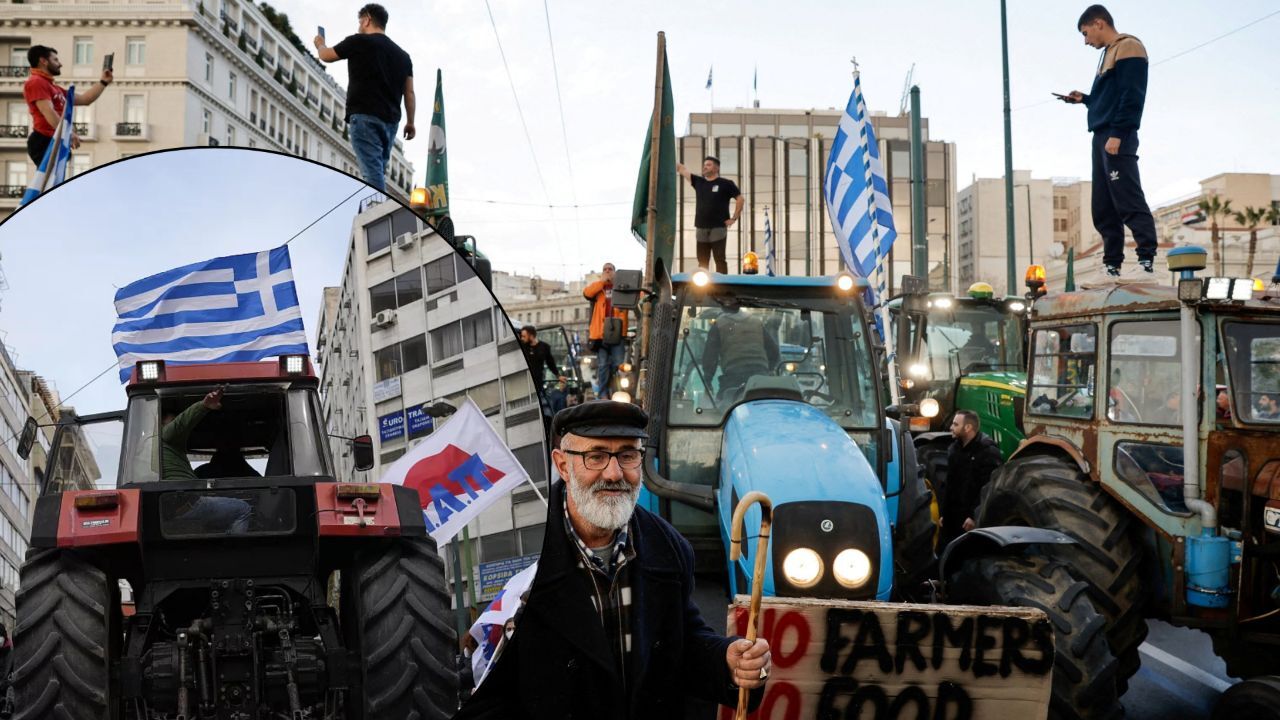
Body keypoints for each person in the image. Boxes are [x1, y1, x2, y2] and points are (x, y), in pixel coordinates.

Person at [456, 401, 770, 719]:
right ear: (563, 465)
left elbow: (683, 643)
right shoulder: (526, 569)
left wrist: (726, 660)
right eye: (596, 456)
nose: (615, 473)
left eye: (627, 455)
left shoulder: (668, 546)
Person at [1059, 5, 1157, 278]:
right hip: (1102, 135)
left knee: (1127, 198)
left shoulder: (1129, 46)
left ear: (1099, 23)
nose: (1085, 40)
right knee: (1103, 205)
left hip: (1117, 135)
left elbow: (1132, 94)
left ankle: (1146, 261)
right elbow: (1112, 97)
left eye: (1085, 32)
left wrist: (1118, 133)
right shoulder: (1107, 54)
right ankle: (1112, 265)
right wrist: (1086, 99)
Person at [314, 3, 414, 192]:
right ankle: (377, 204)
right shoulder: (403, 56)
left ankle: (376, 209)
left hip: (365, 116)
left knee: (372, 173)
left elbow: (326, 56)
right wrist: (411, 122)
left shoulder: (358, 41)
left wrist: (320, 44)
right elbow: (409, 92)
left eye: (360, 21)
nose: (359, 25)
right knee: (377, 169)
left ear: (367, 19)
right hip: (391, 122)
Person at [24, 45, 113, 166]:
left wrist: (103, 82)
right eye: (55, 60)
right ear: (43, 61)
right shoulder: (36, 82)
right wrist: (68, 133)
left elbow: (85, 99)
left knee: (56, 183)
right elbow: (48, 111)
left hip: (55, 139)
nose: (60, 64)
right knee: (50, 183)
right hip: (44, 140)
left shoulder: (54, 88)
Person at [938, 410, 1003, 548]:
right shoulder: (954, 449)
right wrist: (944, 514)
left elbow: (989, 487)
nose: (951, 427)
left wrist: (974, 516)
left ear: (968, 428)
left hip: (970, 519)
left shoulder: (988, 452)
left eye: (955, 424)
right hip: (953, 517)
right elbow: (950, 484)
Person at [677, 156, 743, 274]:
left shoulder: (726, 183)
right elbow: (681, 169)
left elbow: (740, 199)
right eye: (704, 164)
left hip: (718, 227)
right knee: (702, 261)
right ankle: (702, 287)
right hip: (701, 227)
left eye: (708, 165)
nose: (705, 167)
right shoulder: (698, 181)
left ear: (716, 168)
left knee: (719, 259)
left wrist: (734, 218)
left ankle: (722, 285)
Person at [700, 305, 780, 401]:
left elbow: (710, 357)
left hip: (734, 374)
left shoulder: (719, 324)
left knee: (721, 406)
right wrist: (768, 370)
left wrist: (708, 381)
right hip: (760, 374)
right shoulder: (756, 322)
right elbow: (774, 351)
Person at [583, 263, 629, 397]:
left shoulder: (621, 287)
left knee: (618, 364)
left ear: (615, 272)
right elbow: (587, 293)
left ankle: (618, 390)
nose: (608, 271)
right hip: (601, 334)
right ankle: (603, 393)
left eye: (610, 269)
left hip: (617, 332)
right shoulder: (598, 288)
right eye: (605, 269)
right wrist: (602, 282)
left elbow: (637, 295)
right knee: (603, 365)